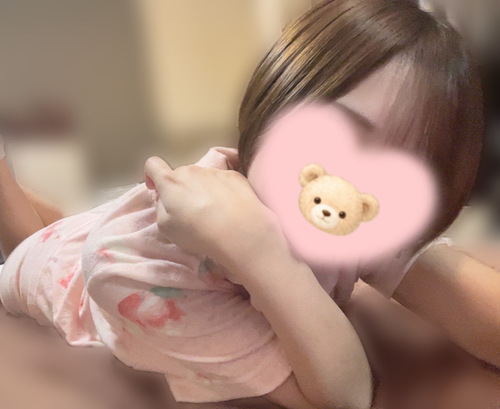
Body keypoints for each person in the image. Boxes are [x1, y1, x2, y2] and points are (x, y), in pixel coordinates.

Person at [0, 1, 485, 408]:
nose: (354, 186)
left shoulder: (357, 214)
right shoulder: (141, 273)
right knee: (30, 242)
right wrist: (261, 252)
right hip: (59, 269)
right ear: (273, 102)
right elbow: (345, 395)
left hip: (97, 228)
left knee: (68, 221)